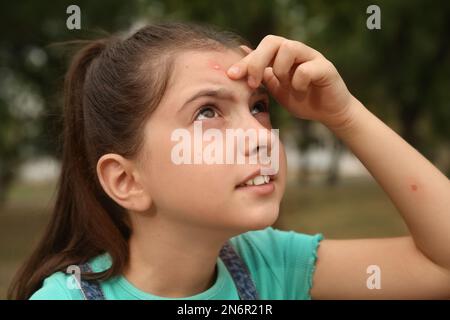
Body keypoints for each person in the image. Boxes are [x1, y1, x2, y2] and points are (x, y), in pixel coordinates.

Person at [8, 22, 450, 300]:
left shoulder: (272, 266)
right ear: (126, 180)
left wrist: (344, 114)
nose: (261, 137)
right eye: (207, 112)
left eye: (259, 106)